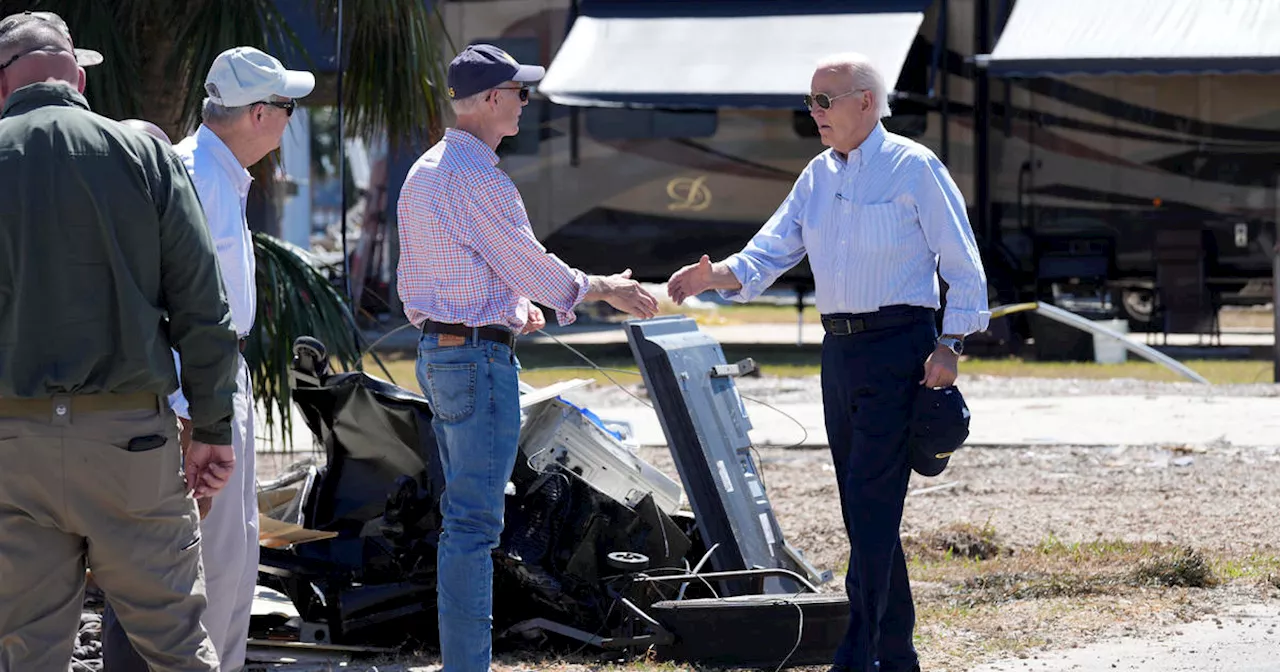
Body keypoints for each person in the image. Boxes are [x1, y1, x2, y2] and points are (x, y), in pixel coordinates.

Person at [666, 52, 989, 672]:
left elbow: (963, 263)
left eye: (824, 100)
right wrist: (717, 275)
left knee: (870, 506)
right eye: (810, 100)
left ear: (866, 101)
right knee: (864, 506)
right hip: (840, 353)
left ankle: (857, 654)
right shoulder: (817, 174)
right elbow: (771, 249)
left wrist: (951, 344)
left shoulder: (914, 167)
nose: (812, 112)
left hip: (901, 348)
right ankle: (895, 655)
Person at [396, 43, 660, 671]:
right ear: (490, 99)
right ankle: (468, 665)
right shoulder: (478, 176)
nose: (524, 102)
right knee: (473, 526)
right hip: (474, 361)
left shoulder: (427, 169)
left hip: (443, 350)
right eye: (518, 91)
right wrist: (604, 288)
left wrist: (508, 305)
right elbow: (537, 270)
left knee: (463, 518)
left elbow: (445, 276)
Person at [0, 10, 239, 672]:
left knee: (25, 652)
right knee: (176, 644)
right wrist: (213, 427)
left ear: (1, 88)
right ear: (78, 78)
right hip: (130, 443)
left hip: (11, 446)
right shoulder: (142, 155)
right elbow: (202, 306)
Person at [102, 46, 315, 672]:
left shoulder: (214, 173)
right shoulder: (195, 174)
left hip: (214, 378)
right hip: (199, 386)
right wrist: (196, 413)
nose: (289, 120)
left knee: (230, 557)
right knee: (198, 563)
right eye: (286, 107)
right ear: (257, 113)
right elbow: (172, 308)